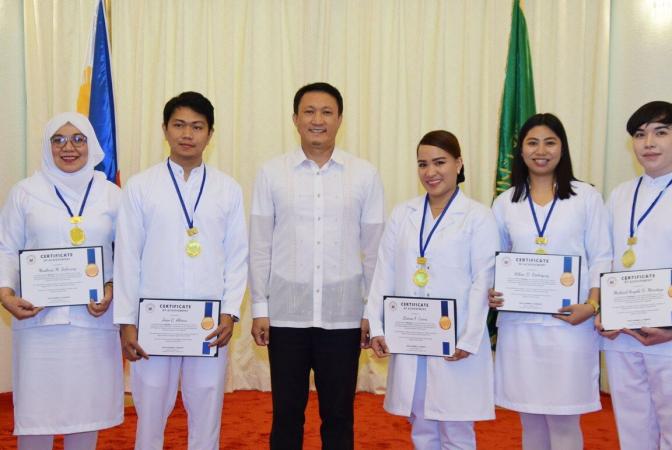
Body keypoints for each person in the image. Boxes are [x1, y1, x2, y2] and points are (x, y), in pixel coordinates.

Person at [249, 82, 384, 450]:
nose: (317, 120)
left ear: (340, 119)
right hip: (286, 317)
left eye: (326, 112)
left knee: (339, 417)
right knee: (286, 415)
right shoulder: (271, 173)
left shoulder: (365, 174)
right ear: (295, 119)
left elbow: (374, 252)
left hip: (343, 318)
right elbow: (260, 245)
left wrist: (372, 311)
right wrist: (260, 308)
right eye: (309, 111)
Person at [113, 92, 248, 450]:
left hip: (208, 324)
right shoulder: (141, 187)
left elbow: (237, 257)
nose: (187, 134)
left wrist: (230, 312)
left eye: (197, 126)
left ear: (210, 133)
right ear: (165, 129)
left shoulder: (227, 189)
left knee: (206, 409)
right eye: (179, 125)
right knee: (150, 410)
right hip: (152, 323)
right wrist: (127, 320)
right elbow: (126, 256)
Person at [367, 130, 499, 449]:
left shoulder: (478, 217)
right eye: (423, 164)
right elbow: (384, 271)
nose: (431, 172)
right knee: (421, 426)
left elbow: (484, 280)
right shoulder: (403, 214)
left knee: (457, 429)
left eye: (440, 162)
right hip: (412, 336)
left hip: (456, 343)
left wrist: (468, 338)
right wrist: (377, 327)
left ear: (459, 163)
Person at [0, 112, 123, 450]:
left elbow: (128, 254)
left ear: (91, 145)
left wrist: (112, 290)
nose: (69, 148)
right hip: (38, 323)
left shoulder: (111, 194)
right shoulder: (24, 193)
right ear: (47, 146)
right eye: (59, 140)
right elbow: (6, 248)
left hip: (91, 323)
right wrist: (5, 294)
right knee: (36, 415)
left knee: (85, 413)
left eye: (78, 139)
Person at [489, 113, 611, 450]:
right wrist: (492, 292)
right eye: (532, 142)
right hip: (519, 326)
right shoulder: (505, 202)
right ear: (521, 150)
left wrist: (593, 305)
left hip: (570, 325)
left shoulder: (585, 197)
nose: (541, 150)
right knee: (529, 420)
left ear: (562, 147)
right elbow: (493, 261)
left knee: (564, 420)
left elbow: (602, 255)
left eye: (550, 142)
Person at [598, 101, 672, 449]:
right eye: (640, 135)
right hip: (623, 333)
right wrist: (602, 312)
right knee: (633, 428)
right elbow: (607, 259)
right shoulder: (619, 194)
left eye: (661, 132)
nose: (649, 143)